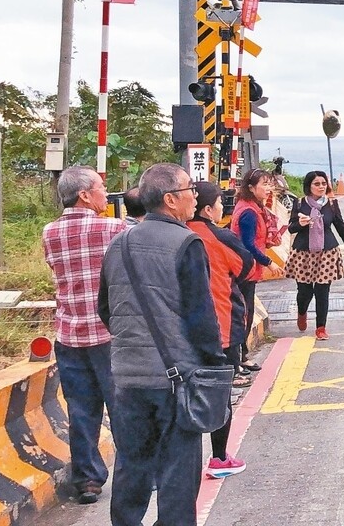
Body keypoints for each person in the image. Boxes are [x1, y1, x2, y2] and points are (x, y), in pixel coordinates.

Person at [98, 164, 227, 526]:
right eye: (189, 190)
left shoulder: (118, 243)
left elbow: (105, 309)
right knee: (178, 471)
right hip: (175, 379)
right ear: (171, 199)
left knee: (132, 463)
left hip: (126, 378)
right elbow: (200, 317)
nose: (195, 196)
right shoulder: (187, 243)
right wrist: (215, 365)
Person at [41, 166, 125, 505]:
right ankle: (134, 472)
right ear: (85, 195)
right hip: (107, 333)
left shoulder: (49, 231)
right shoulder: (113, 228)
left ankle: (88, 480)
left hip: (69, 333)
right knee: (122, 407)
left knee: (81, 409)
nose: (106, 194)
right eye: (102, 188)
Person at [187, 180, 265, 479]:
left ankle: (181, 461)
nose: (223, 208)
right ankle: (219, 457)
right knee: (220, 395)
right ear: (207, 209)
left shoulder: (174, 235)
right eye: (220, 202)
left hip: (180, 332)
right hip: (220, 326)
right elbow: (245, 268)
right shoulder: (219, 237)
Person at [287, 170, 344, 340]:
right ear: (309, 186)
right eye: (316, 184)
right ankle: (302, 312)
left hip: (327, 252)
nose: (321, 187)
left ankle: (321, 327)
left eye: (323, 183)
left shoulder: (332, 205)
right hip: (303, 253)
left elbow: (341, 228)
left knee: (322, 291)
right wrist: (300, 223)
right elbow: (291, 227)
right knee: (305, 292)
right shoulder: (299, 203)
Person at [228, 168, 283, 372]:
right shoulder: (249, 212)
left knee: (245, 311)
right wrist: (269, 262)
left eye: (270, 184)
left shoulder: (250, 207)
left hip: (247, 267)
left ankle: (241, 356)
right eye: (264, 184)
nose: (268, 189)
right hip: (245, 268)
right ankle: (240, 357)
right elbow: (248, 244)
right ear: (251, 188)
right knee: (244, 313)